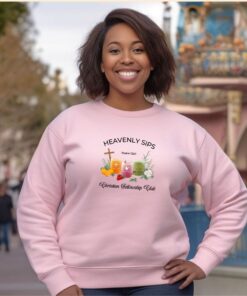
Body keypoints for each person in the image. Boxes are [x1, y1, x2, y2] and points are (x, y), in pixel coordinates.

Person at [17, 8, 247, 296]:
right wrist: (56, 278)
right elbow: (35, 206)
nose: (127, 58)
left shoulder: (185, 131)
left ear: (153, 61)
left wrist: (205, 259)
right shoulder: (67, 125)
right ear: (101, 62)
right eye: (114, 50)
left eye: (139, 49)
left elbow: (232, 198)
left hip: (163, 285)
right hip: (82, 285)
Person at [0, 181, 13, 252]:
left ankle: (7, 246)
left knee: (5, 234)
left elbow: (11, 207)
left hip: (6, 218)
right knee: (1, 235)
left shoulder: (8, 197)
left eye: (4, 188)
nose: (3, 190)